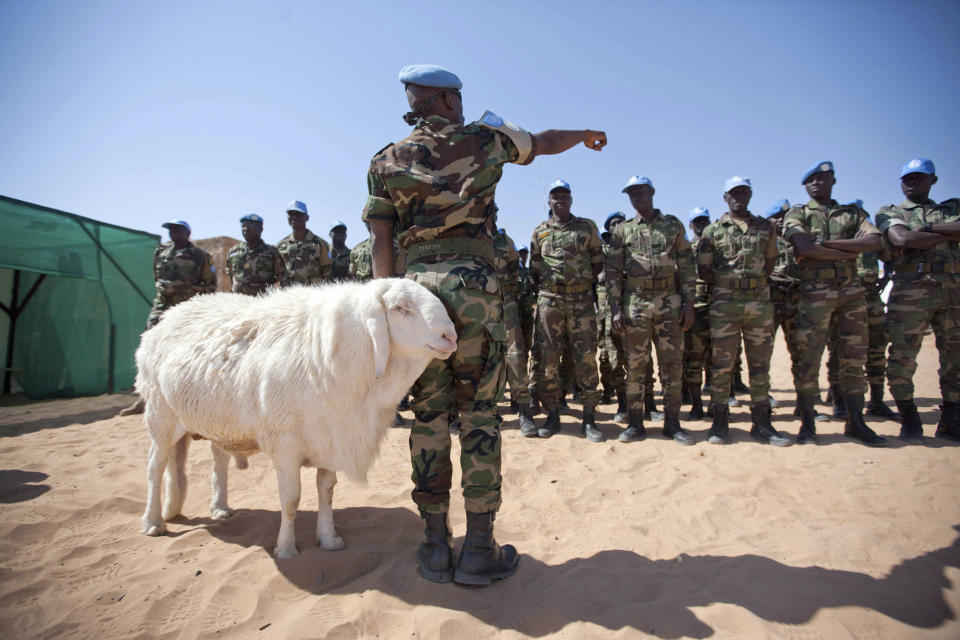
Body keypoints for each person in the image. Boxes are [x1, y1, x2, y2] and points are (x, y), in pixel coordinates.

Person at [363, 63, 606, 585]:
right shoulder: (486, 140)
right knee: (479, 415)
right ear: (449, 101)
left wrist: (388, 308)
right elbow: (542, 141)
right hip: (474, 288)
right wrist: (584, 134)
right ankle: (477, 549)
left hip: (415, 296)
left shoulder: (385, 160)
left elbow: (381, 243)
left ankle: (433, 546)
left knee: (429, 417)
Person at [782, 161, 887, 446]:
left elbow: (874, 241)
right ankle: (807, 424)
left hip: (851, 296)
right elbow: (803, 247)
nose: (817, 182)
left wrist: (824, 248)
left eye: (823, 178)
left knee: (853, 359)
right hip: (814, 295)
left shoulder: (853, 213)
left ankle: (856, 422)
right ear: (805, 185)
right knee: (808, 359)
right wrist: (848, 250)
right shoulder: (797, 214)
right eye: (811, 179)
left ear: (833, 181)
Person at [697, 177, 791, 446]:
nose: (739, 196)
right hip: (725, 304)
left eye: (744, 191)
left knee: (760, 365)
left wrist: (750, 282)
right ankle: (720, 421)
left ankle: (762, 423)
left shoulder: (765, 227)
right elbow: (704, 270)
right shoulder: (713, 231)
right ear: (725, 197)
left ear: (750, 194)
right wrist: (730, 283)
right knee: (722, 365)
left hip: (759, 303)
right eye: (734, 192)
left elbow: (770, 261)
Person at [606, 175, 695, 445]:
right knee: (635, 366)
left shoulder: (673, 225)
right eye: (631, 193)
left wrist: (689, 303)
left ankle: (672, 423)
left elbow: (688, 265)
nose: (636, 197)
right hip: (637, 301)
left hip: (669, 301)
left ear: (652, 192)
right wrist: (616, 309)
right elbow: (612, 271)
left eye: (640, 192)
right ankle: (635, 423)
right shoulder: (623, 230)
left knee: (672, 365)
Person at [875, 158, 960, 442]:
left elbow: (914, 237)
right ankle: (909, 418)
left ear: (933, 180)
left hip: (952, 289)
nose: (912, 182)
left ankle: (951, 418)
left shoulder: (953, 207)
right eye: (907, 178)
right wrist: (942, 232)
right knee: (901, 357)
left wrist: (924, 230)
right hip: (910, 291)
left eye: (919, 177)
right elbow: (901, 239)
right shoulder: (889, 211)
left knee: (955, 357)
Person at [529, 179, 605, 442]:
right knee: (549, 359)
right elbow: (535, 269)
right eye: (555, 197)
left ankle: (589, 418)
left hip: (581, 301)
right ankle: (552, 415)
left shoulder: (587, 227)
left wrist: (578, 284)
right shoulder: (539, 231)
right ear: (548, 202)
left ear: (572, 200)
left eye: (565, 196)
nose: (560, 200)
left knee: (585, 357)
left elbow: (598, 263)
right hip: (550, 301)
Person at [119, 219, 216, 416]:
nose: (173, 233)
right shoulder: (161, 252)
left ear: (187, 233)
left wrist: (184, 290)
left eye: (178, 229)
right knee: (150, 344)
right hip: (162, 305)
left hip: (187, 308)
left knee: (190, 349)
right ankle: (145, 398)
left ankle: (191, 394)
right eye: (171, 230)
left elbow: (210, 285)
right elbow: (157, 278)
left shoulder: (200, 256)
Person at [824, 199, 898, 420]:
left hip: (870, 296)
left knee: (877, 348)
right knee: (839, 349)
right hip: (843, 295)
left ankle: (876, 401)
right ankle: (839, 402)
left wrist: (884, 281)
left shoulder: (872, 237)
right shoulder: (838, 236)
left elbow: (890, 259)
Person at [488, 207, 536, 435]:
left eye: (495, 213)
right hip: (480, 306)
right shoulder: (472, 238)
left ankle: (524, 411)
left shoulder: (504, 241)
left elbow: (514, 269)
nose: (492, 216)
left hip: (506, 304)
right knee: (484, 358)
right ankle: (488, 411)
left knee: (515, 357)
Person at [598, 211, 629, 421]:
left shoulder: (634, 246)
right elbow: (595, 276)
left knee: (638, 356)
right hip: (607, 308)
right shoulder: (601, 250)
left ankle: (645, 401)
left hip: (633, 305)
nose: (617, 226)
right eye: (613, 224)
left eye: (620, 223)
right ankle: (618, 398)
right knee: (610, 354)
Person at [682, 206, 712, 420]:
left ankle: (720, 406)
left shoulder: (717, 246)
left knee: (721, 360)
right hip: (696, 310)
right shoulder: (686, 249)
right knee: (694, 360)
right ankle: (696, 404)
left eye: (704, 221)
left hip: (721, 308)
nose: (701, 225)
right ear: (691, 225)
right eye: (697, 221)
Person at [226, 214, 284, 295]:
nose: (246, 228)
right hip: (238, 302)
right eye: (243, 225)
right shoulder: (233, 252)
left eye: (251, 225)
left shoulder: (272, 252)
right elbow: (231, 277)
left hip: (263, 301)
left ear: (261, 229)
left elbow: (281, 278)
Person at [277, 200, 332, 286]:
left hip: (312, 295)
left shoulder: (319, 244)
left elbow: (327, 272)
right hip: (288, 295)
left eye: (298, 214)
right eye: (291, 214)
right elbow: (278, 273)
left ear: (307, 217)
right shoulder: (281, 245)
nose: (294, 217)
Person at [516, 245, 535, 368]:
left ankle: (523, 371)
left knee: (527, 342)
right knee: (515, 344)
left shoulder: (529, 272)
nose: (523, 256)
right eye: (521, 253)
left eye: (525, 253)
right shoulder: (513, 271)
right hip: (516, 313)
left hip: (527, 312)